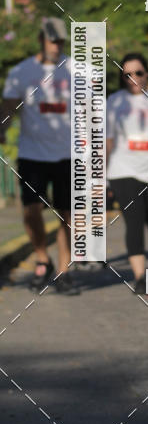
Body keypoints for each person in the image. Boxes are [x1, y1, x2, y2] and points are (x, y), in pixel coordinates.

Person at [0, 17, 76, 294]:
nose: (56, 45)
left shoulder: (77, 69)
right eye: (51, 40)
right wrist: (2, 128)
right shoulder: (21, 71)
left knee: (67, 215)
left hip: (69, 154)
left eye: (60, 40)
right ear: (40, 40)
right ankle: (42, 258)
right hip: (33, 154)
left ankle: (64, 270)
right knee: (31, 211)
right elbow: (8, 106)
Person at [106, 53, 148, 295]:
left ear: (147, 73)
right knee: (133, 224)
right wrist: (100, 176)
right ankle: (140, 276)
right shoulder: (114, 101)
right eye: (127, 75)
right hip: (124, 169)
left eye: (138, 73)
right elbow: (108, 141)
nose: (133, 78)